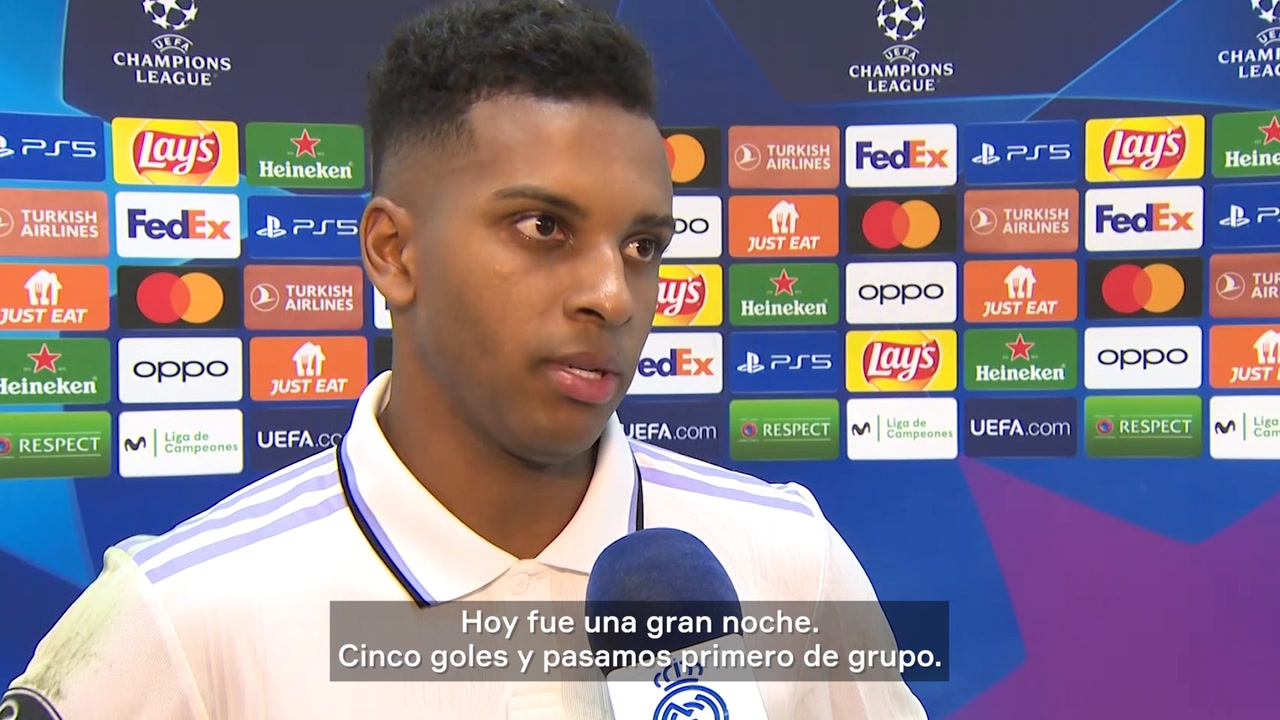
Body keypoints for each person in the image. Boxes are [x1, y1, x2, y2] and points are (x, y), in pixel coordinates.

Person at [2, 1, 929, 718]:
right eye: (543, 227)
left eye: (643, 245)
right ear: (393, 253)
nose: (612, 294)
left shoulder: (788, 560)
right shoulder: (184, 615)